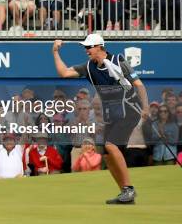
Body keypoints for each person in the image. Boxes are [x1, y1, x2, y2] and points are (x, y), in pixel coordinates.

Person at [53, 34, 150, 204]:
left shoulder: (118, 61)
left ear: (99, 46)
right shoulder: (89, 67)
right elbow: (64, 72)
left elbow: (138, 84)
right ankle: (124, 194)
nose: (86, 50)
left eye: (89, 47)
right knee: (107, 155)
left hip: (129, 110)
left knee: (111, 145)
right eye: (85, 47)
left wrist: (146, 107)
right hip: (112, 115)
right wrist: (55, 52)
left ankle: (129, 189)